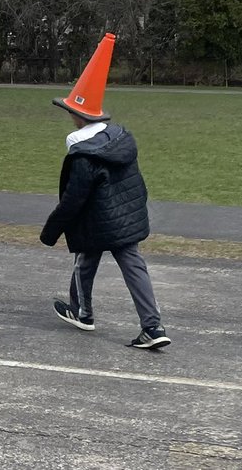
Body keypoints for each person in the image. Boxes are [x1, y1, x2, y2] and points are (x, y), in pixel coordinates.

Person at [39, 33, 171, 351]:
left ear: (78, 116)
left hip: (98, 221)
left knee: (85, 260)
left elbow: (74, 198)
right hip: (126, 216)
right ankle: (152, 326)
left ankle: (82, 313)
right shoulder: (120, 139)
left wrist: (50, 231)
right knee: (132, 264)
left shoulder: (83, 153)